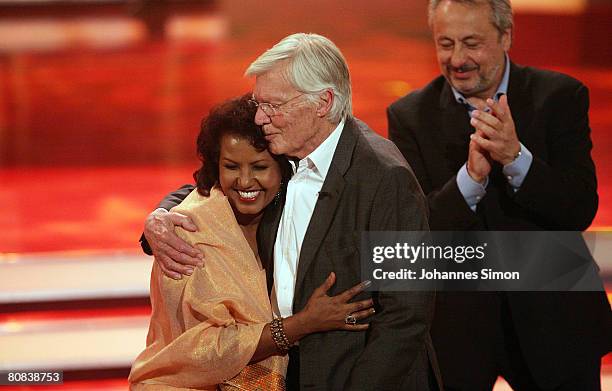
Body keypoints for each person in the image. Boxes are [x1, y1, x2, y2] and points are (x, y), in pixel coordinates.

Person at [140, 33, 442, 390]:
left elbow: (406, 316)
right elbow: (220, 183)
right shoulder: (286, 151)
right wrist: (158, 218)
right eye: (258, 104)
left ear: (323, 103)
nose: (262, 118)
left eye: (274, 106)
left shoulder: (384, 178)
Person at [387, 0, 612, 390]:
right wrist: (470, 178)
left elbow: (580, 208)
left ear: (506, 36)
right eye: (446, 43)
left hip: (555, 321)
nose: (457, 59)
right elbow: (416, 233)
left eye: (471, 43)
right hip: (457, 330)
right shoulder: (409, 115)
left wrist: (516, 158)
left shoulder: (559, 97)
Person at [129, 95, 376, 390]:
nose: (245, 182)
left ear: (285, 169)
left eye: (259, 167)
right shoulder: (182, 235)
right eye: (231, 167)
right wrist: (303, 324)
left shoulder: (293, 210)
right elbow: (199, 349)